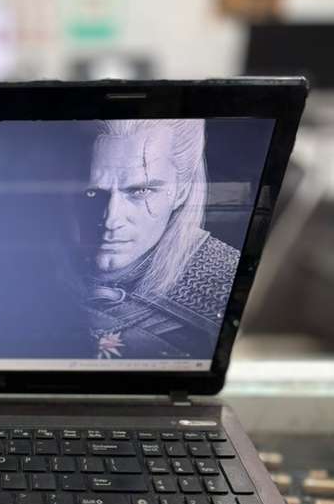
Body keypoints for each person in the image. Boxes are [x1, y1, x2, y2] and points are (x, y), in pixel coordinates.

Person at [62, 118, 240, 360]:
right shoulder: (32, 266)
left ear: (182, 191)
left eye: (140, 191)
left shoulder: (223, 285)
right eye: (93, 192)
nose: (111, 219)